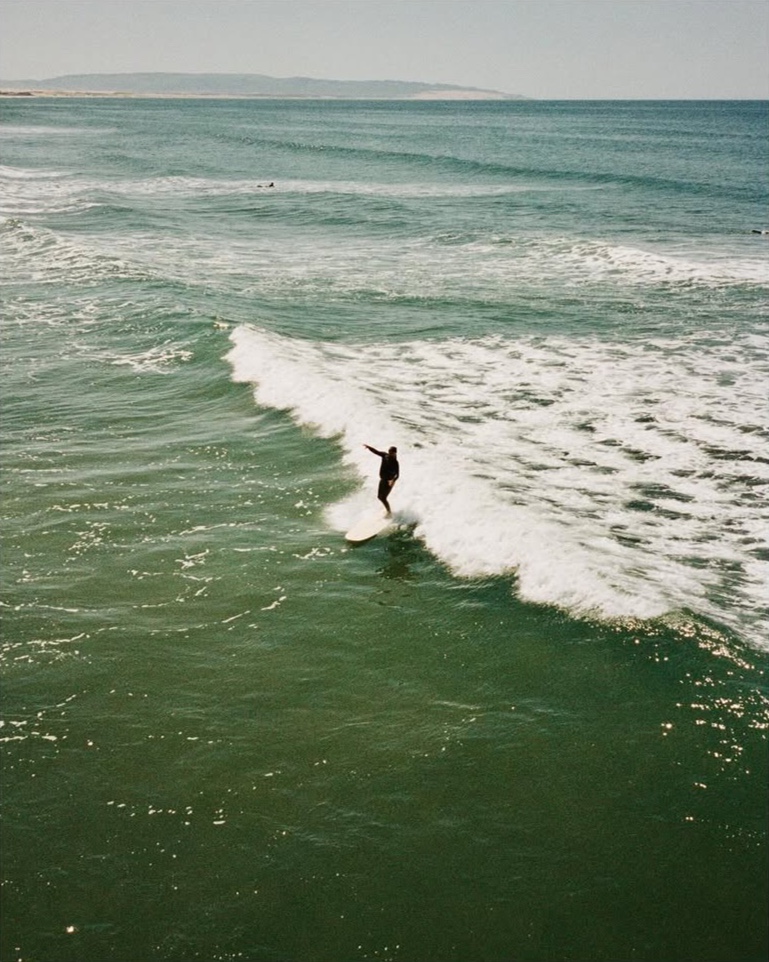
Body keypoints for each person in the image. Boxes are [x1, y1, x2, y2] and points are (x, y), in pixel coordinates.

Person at [364, 444, 399, 517]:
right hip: (383, 480)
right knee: (379, 497)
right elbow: (376, 452)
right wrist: (369, 447)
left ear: (395, 453)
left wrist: (393, 480)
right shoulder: (385, 456)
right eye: (389, 452)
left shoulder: (395, 463)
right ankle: (388, 510)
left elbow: (397, 475)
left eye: (391, 453)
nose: (390, 454)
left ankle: (389, 512)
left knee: (383, 497)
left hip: (389, 482)